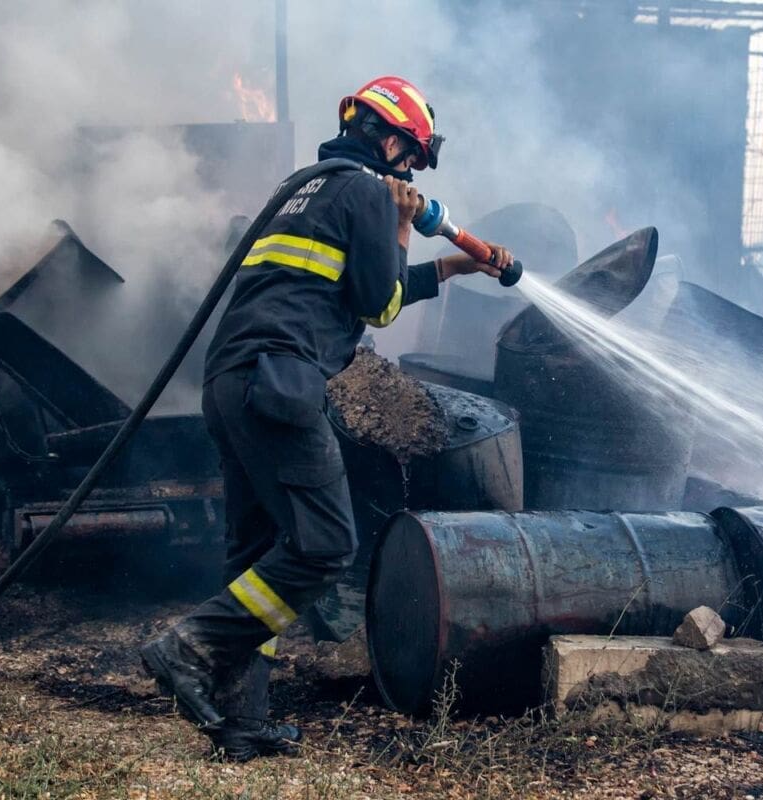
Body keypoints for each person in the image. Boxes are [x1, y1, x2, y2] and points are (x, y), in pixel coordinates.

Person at [139, 76, 513, 761]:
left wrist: (454, 267)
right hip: (281, 380)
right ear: (395, 141)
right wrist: (403, 222)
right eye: (413, 160)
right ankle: (190, 644)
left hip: (232, 382)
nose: (411, 175)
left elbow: (354, 285)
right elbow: (378, 307)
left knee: (255, 555)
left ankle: (242, 722)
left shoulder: (307, 187)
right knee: (324, 545)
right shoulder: (370, 192)